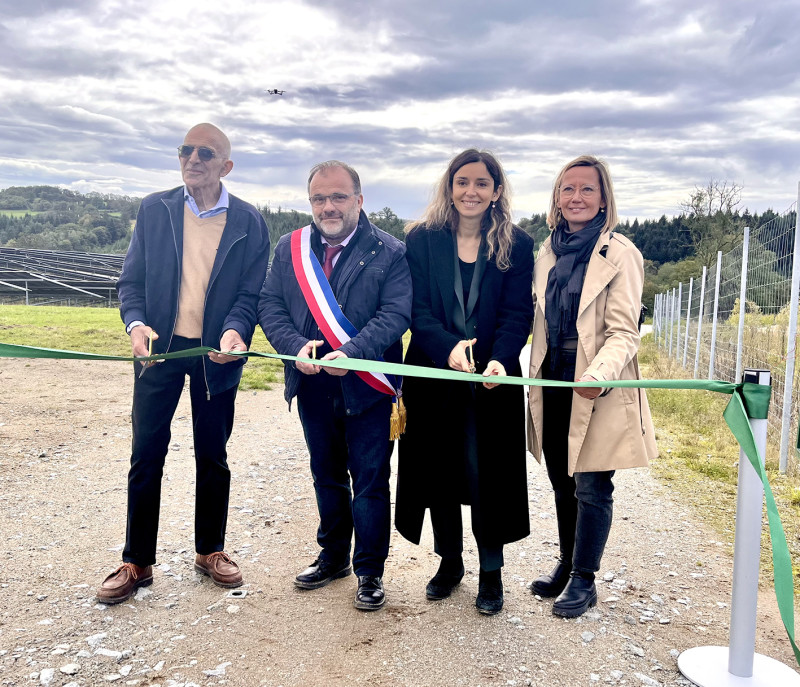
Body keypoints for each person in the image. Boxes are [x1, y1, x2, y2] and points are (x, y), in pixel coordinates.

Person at [96, 123, 270, 604]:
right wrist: (135, 326)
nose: (193, 159)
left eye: (206, 152)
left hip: (217, 355)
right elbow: (130, 284)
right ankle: (137, 561)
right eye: (185, 150)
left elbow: (250, 294)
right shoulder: (155, 210)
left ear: (226, 166)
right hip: (160, 352)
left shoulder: (250, 222)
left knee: (213, 454)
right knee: (146, 452)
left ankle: (209, 551)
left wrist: (236, 331)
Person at [258, 161, 411, 611]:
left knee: (370, 482)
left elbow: (396, 313)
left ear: (359, 201)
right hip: (312, 387)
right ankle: (333, 556)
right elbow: (270, 304)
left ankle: (369, 570)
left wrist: (356, 351)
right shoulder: (290, 247)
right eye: (319, 198)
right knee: (326, 475)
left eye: (338, 197)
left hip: (368, 388)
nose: (328, 206)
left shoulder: (390, 251)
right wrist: (292, 346)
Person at [395, 149, 534, 615]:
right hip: (435, 375)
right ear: (449, 187)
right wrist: (447, 347)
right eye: (462, 181)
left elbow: (518, 315)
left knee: (486, 474)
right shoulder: (421, 240)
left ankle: (490, 571)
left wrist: (501, 360)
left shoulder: (517, 244)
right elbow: (416, 311)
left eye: (481, 183)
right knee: (439, 468)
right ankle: (450, 561)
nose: (470, 191)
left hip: (491, 381)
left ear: (496, 191)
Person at [527, 155, 658, 618]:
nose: (576, 198)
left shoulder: (622, 254)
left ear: (604, 198)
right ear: (557, 198)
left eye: (587, 189)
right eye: (568, 189)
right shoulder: (546, 253)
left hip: (597, 383)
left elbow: (625, 331)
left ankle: (585, 578)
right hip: (553, 378)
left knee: (592, 482)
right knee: (561, 478)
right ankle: (566, 561)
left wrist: (599, 375)